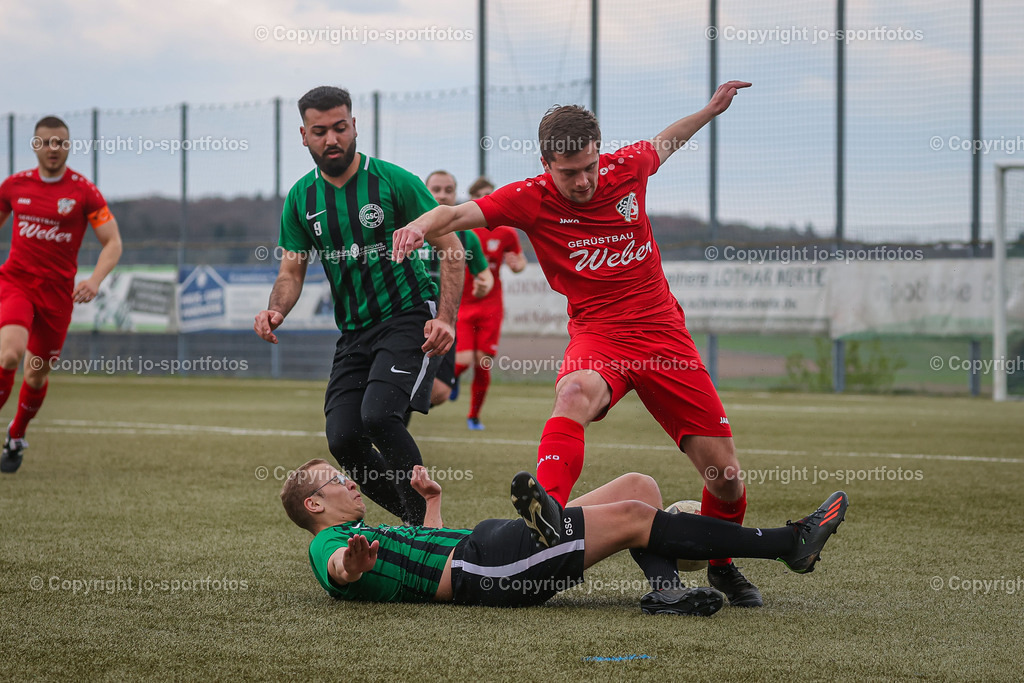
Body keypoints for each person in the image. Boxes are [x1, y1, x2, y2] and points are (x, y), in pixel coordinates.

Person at [391, 81, 767, 606]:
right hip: (599, 333)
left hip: (663, 335)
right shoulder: (530, 197)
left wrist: (709, 109)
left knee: (724, 475)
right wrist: (415, 226)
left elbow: (668, 139)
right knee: (572, 395)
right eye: (569, 172)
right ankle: (551, 515)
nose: (584, 180)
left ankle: (723, 567)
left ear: (599, 151)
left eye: (589, 166)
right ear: (547, 163)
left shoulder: (626, 168)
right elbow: (454, 215)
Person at [254, 86, 465, 525]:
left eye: (339, 127)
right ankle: (413, 521)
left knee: (378, 416)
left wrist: (445, 318)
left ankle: (429, 526)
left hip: (409, 316)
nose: (331, 139)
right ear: (304, 135)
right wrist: (277, 310)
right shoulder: (301, 199)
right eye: (320, 131)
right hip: (354, 332)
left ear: (353, 126)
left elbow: (452, 248)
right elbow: (291, 272)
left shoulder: (392, 180)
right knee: (344, 438)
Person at [280, 458, 848, 614]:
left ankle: (666, 587)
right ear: (314, 505)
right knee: (631, 513)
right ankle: (787, 543)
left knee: (640, 486)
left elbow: (419, 556)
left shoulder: (366, 530)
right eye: (338, 481)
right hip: (487, 570)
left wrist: (432, 503)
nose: (350, 482)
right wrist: (351, 565)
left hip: (485, 546)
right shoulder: (328, 543)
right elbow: (339, 575)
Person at [0, 116, 123, 473]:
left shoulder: (83, 192)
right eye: (46, 143)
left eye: (60, 143)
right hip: (17, 283)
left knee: (36, 373)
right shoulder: (14, 186)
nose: (53, 149)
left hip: (57, 295)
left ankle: (16, 435)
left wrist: (95, 280)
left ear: (68, 146)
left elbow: (112, 242)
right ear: (35, 146)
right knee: (9, 354)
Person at [453, 177, 527, 430]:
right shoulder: (463, 231)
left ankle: (473, 416)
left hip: (491, 305)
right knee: (462, 361)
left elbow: (518, 260)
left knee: (483, 364)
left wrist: (518, 266)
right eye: (482, 195)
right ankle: (446, 382)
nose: (488, 200)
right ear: (473, 199)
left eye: (490, 195)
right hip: (464, 303)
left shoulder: (505, 231)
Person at [421, 170, 492, 408]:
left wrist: (484, 284)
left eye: (448, 190)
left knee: (440, 391)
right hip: (409, 318)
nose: (442, 195)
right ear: (425, 192)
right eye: (436, 190)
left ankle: (387, 416)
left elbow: (484, 273)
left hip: (445, 319)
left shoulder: (466, 236)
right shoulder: (410, 228)